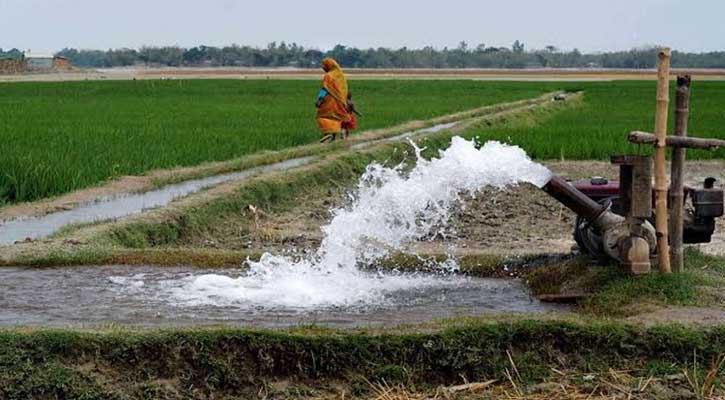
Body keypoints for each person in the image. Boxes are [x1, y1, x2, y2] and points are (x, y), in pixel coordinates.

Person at [315, 58, 351, 142]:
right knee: (336, 118)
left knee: (322, 117)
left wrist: (320, 99)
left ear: (329, 65)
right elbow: (344, 89)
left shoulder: (328, 76)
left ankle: (328, 134)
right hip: (340, 101)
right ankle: (334, 136)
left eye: (324, 66)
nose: (323, 68)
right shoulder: (341, 76)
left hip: (329, 101)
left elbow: (324, 89)